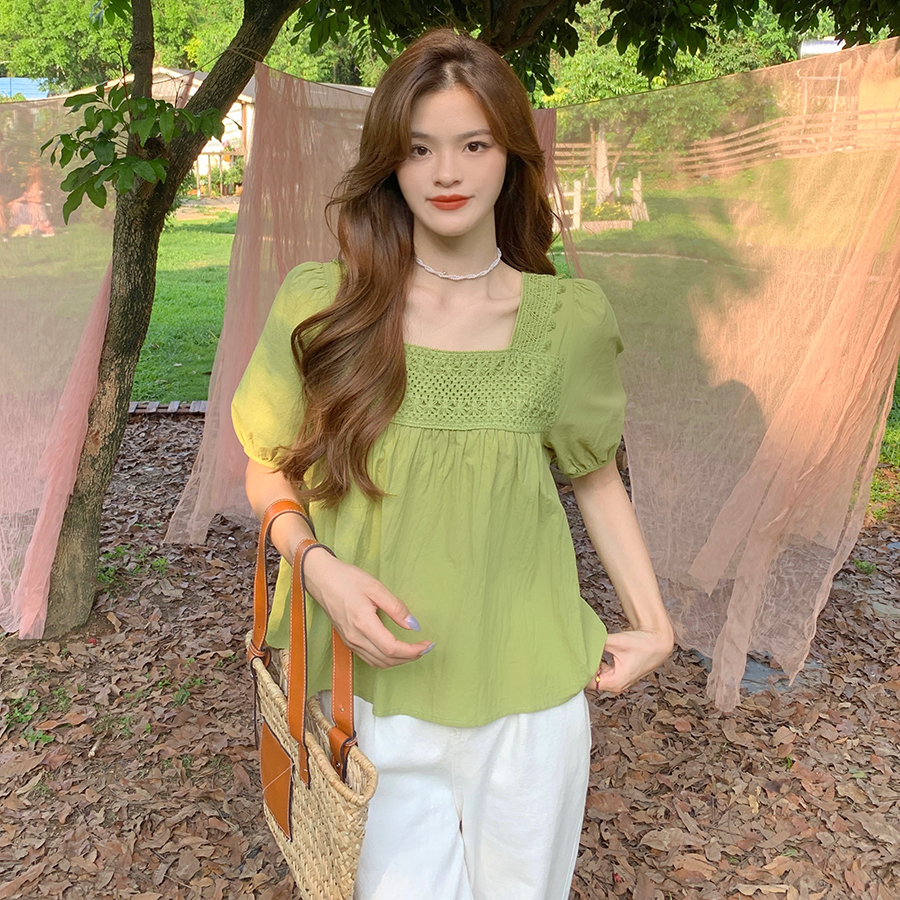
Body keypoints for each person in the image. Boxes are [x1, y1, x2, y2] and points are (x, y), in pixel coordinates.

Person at [232, 28, 673, 900]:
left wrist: (655, 624)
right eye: (419, 148)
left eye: (474, 146)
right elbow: (267, 466)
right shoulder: (326, 307)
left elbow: (594, 476)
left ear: (511, 157)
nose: (446, 173)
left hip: (531, 697)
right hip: (370, 696)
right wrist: (316, 567)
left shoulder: (568, 320)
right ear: (388, 163)